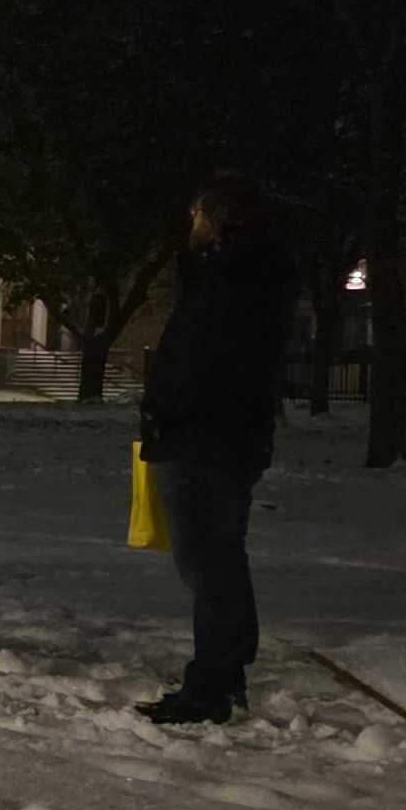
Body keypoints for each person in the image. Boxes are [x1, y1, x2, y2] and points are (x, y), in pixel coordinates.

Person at [135, 175, 295, 724]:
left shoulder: (231, 280)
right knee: (217, 559)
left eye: (198, 215)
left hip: (204, 438)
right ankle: (221, 676)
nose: (191, 225)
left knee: (208, 562)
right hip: (218, 437)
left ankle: (214, 683)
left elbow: (205, 363)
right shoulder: (245, 276)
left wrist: (168, 410)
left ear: (220, 219)